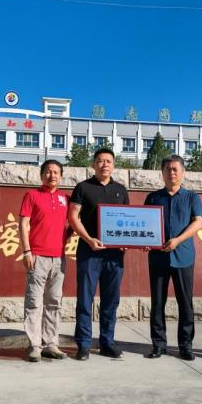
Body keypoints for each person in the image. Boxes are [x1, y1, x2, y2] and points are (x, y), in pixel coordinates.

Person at [68, 147, 130, 360]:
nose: (105, 164)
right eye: (100, 161)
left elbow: (128, 219)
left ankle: (107, 342)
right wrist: (88, 239)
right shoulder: (83, 187)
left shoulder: (120, 190)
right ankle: (84, 344)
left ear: (113, 165)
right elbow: (73, 217)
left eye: (108, 161)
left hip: (114, 255)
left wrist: (126, 242)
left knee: (111, 300)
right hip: (89, 252)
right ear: (94, 164)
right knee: (85, 299)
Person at [144, 154, 202, 361]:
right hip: (158, 257)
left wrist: (178, 240)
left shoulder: (191, 197)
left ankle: (185, 346)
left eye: (175, 169)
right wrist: (145, 242)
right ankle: (158, 345)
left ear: (182, 172)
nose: (171, 173)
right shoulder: (153, 198)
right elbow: (144, 224)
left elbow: (198, 222)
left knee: (185, 303)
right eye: (167, 169)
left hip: (183, 256)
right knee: (157, 303)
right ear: (162, 173)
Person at [19, 159, 72, 362]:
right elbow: (23, 224)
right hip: (37, 257)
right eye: (48, 172)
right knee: (34, 302)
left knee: (54, 302)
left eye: (56, 172)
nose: (52, 175)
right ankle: (34, 344)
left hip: (59, 258)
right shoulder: (32, 195)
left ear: (61, 176)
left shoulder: (65, 199)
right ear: (42, 175)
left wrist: (66, 237)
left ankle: (51, 343)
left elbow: (73, 222)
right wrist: (26, 251)